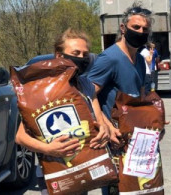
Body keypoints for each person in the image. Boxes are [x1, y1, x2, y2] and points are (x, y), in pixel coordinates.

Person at [15, 28, 111, 194]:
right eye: (75, 53)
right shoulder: (41, 90)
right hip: (55, 173)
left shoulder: (86, 84)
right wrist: (48, 149)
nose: (81, 58)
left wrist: (104, 131)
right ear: (59, 56)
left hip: (84, 167)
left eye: (84, 54)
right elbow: (20, 137)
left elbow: (100, 122)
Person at [87, 3, 152, 194]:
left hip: (135, 140)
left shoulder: (139, 59)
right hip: (115, 143)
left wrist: (153, 120)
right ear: (123, 28)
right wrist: (104, 123)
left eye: (145, 29)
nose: (140, 32)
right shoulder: (109, 58)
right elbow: (86, 94)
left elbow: (139, 98)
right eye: (136, 27)